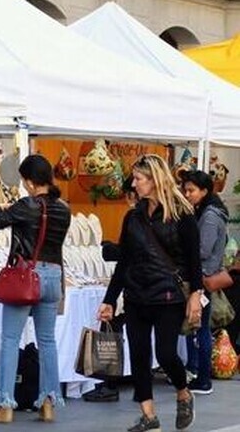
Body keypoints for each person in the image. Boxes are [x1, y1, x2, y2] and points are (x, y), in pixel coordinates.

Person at [98, 154, 202, 432]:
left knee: (166, 354)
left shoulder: (182, 216)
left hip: (168, 296)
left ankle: (183, 392)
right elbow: (124, 262)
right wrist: (110, 299)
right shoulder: (133, 216)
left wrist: (195, 295)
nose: (134, 184)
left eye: (139, 179)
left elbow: (194, 261)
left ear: (155, 180)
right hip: (135, 295)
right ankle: (148, 415)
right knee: (140, 355)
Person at [0, 154, 71, 424]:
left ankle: (4, 403)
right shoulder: (63, 208)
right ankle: (47, 402)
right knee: (47, 341)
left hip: (26, 277)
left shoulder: (26, 205)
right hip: (54, 276)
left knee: (10, 340)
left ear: (31, 183)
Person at [84, 175, 136, 403]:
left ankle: (111, 382)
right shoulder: (141, 217)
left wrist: (111, 251)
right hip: (137, 286)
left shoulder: (135, 218)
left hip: (134, 285)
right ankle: (113, 382)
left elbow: (128, 254)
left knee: (113, 334)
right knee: (119, 333)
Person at [181, 170, 227, 395]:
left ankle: (203, 377)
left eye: (191, 190)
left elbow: (203, 250)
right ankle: (195, 371)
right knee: (197, 327)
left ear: (204, 191)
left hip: (205, 277)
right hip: (204, 275)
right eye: (185, 189)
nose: (187, 194)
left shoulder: (209, 216)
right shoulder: (205, 212)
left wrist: (182, 252)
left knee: (200, 327)